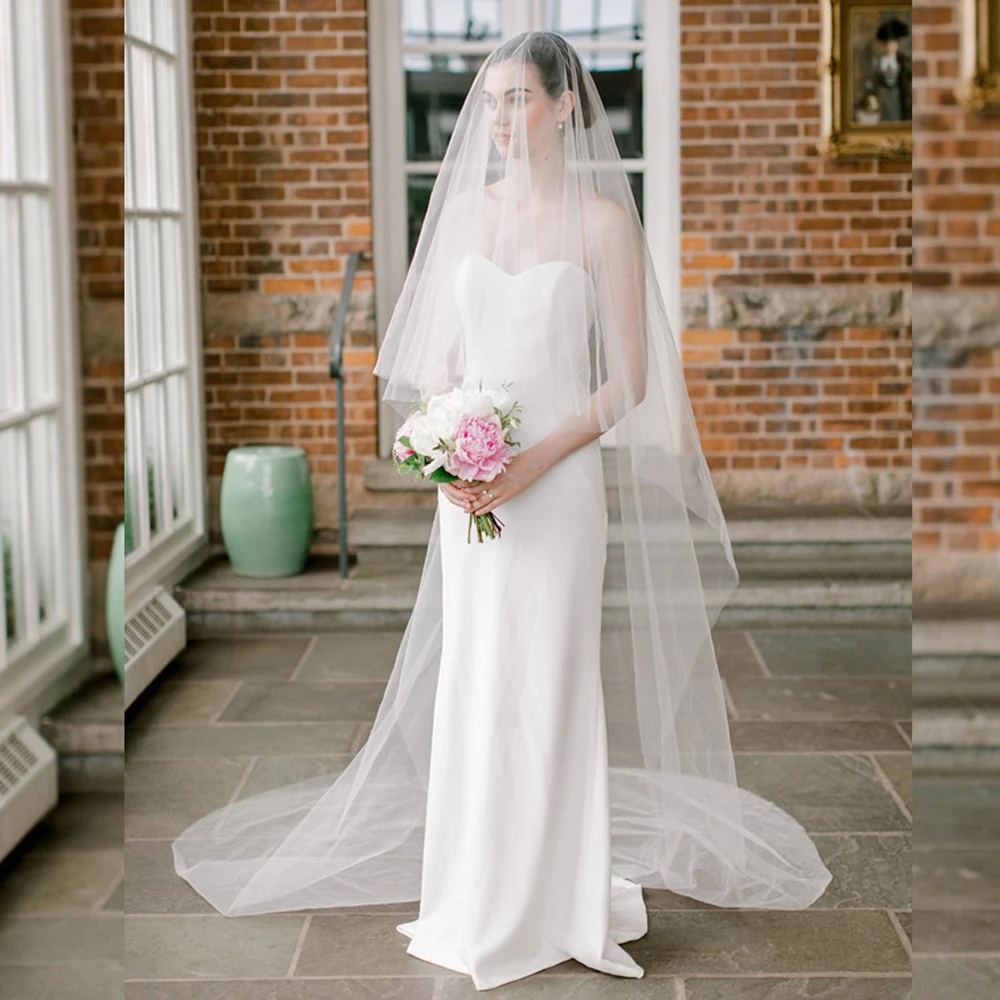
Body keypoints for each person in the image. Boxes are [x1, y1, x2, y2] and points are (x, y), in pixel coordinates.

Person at [172, 30, 832, 992]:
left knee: (550, 686)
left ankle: (555, 900)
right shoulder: (467, 220)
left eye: (518, 100)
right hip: (473, 490)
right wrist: (449, 452)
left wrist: (528, 463)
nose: (500, 120)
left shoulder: (605, 223)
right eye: (490, 102)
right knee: (479, 686)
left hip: (556, 492)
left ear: (567, 106)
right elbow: (438, 366)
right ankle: (477, 896)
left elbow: (627, 388)